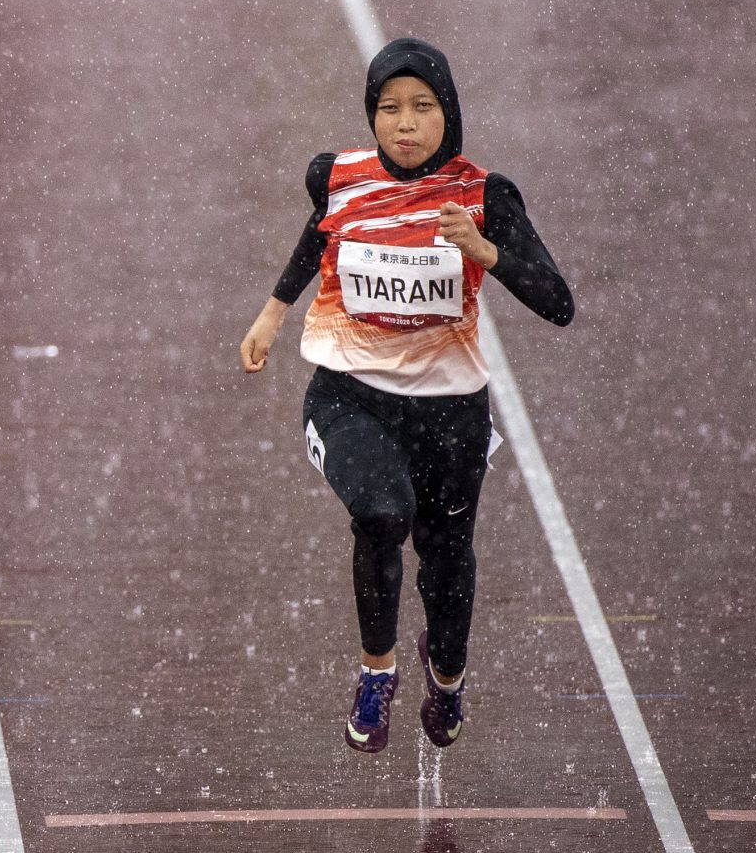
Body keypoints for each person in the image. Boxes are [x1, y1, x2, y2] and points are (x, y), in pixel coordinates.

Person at [240, 39, 574, 754]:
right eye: (389, 108)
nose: (405, 123)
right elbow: (318, 236)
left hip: (451, 414)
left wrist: (486, 253)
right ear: (371, 116)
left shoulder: (484, 197)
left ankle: (446, 677)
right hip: (350, 396)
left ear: (448, 115)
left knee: (447, 558)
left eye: (423, 107)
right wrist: (273, 311)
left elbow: (559, 303)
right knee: (381, 513)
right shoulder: (336, 178)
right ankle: (376, 670)